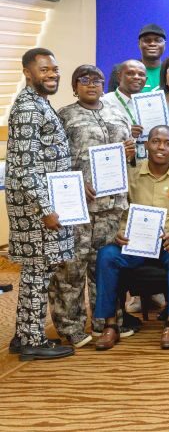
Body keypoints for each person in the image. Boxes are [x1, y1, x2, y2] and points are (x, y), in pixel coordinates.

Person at [94, 125, 169, 351]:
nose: (161, 147)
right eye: (156, 141)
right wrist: (120, 232)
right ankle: (110, 325)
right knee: (106, 255)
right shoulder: (131, 174)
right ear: (146, 144)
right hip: (136, 244)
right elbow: (121, 211)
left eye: (167, 143)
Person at [51, 65, 135, 348]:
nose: (91, 84)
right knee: (71, 267)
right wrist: (75, 180)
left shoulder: (117, 113)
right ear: (74, 87)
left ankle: (105, 321)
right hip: (77, 205)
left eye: (97, 80)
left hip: (112, 206)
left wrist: (130, 151)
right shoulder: (64, 116)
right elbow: (53, 159)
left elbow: (129, 154)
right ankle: (70, 326)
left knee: (105, 266)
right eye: (83, 80)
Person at [6, 48, 76, 360]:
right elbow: (25, 167)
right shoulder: (28, 109)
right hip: (35, 210)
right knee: (37, 273)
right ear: (28, 72)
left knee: (37, 272)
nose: (52, 75)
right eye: (44, 69)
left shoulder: (38, 103)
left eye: (54, 69)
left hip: (39, 204)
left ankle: (24, 335)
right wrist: (46, 209)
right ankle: (33, 341)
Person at [102, 59, 147, 159]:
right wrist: (126, 131)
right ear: (119, 76)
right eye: (130, 73)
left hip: (146, 162)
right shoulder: (104, 102)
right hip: (117, 161)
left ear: (146, 79)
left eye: (141, 74)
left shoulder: (150, 102)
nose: (136, 77)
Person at [108, 24, 167, 92]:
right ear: (139, 43)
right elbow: (112, 97)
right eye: (147, 40)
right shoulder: (121, 70)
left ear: (164, 44)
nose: (152, 44)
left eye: (158, 40)